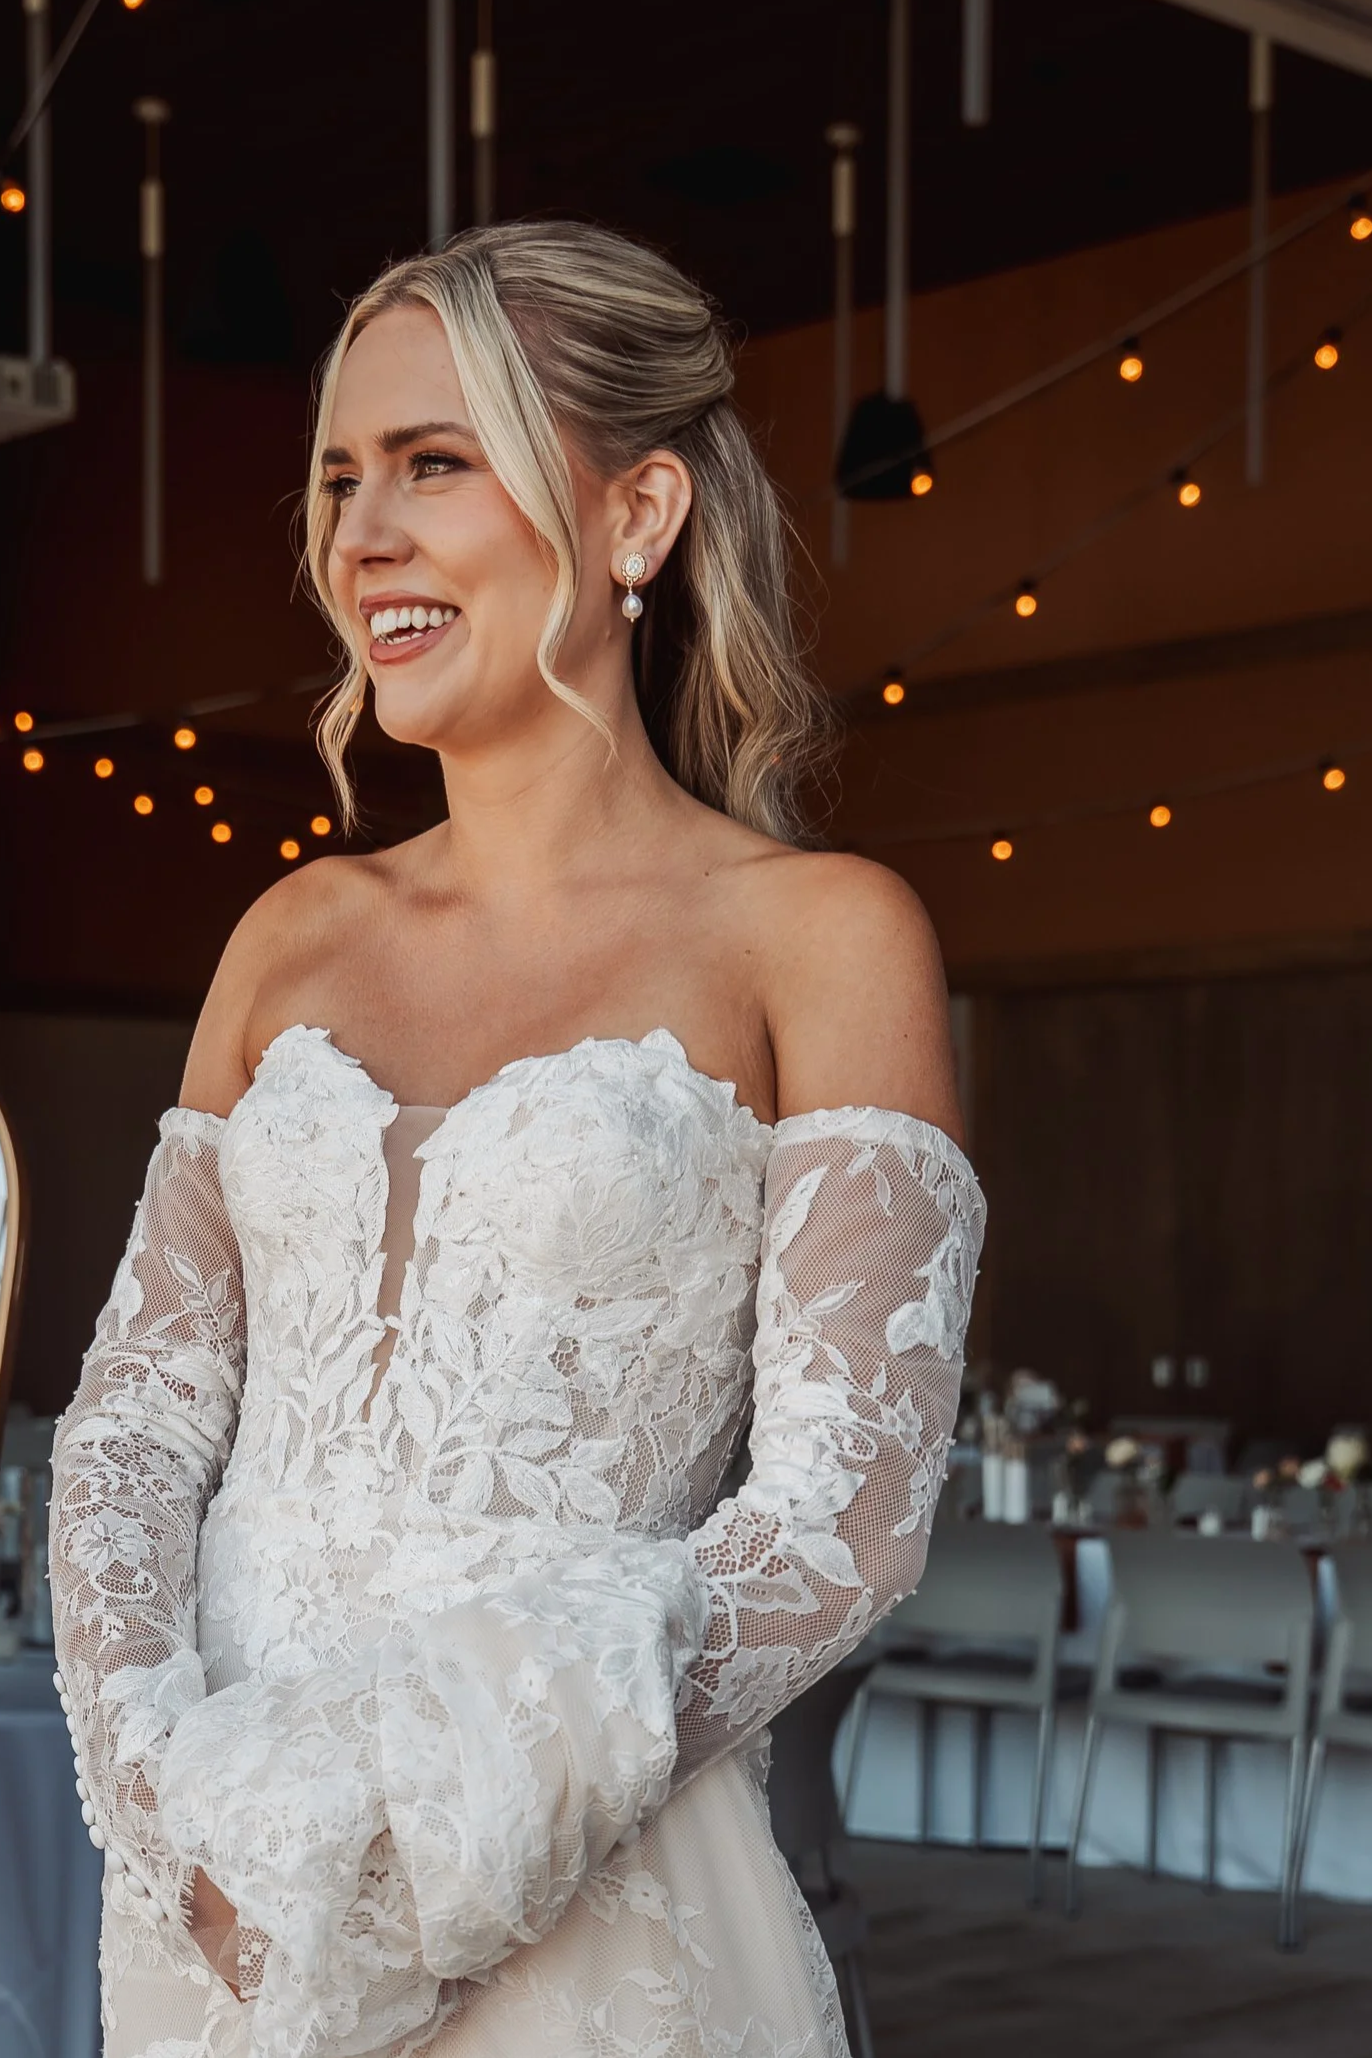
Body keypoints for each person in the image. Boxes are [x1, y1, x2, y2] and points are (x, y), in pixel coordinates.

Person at [49, 220, 986, 2058]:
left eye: (434, 462)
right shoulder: (290, 936)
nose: (361, 536)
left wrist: (439, 1827)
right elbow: (135, 1427)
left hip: (587, 1914)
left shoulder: (818, 935)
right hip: (226, 1919)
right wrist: (169, 1809)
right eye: (338, 479)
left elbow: (850, 1513)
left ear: (637, 517)